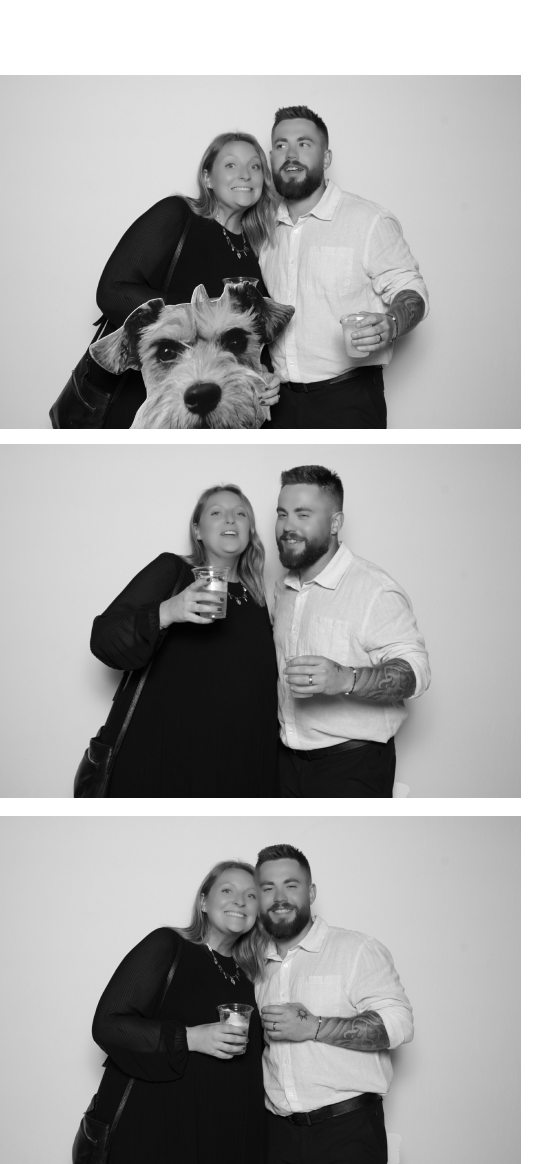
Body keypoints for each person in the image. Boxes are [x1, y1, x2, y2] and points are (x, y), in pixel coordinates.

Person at [87, 485, 278, 797]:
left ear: (250, 530)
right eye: (216, 512)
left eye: (240, 513)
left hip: (235, 768)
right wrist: (168, 611)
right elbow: (104, 638)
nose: (230, 519)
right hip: (167, 762)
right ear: (197, 530)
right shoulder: (173, 570)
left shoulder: (257, 597)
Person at [81, 132, 280, 427]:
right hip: (141, 404)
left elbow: (251, 337)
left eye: (255, 167)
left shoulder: (258, 248)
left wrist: (264, 375)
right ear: (207, 177)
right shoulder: (177, 214)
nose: (245, 174)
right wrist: (194, 315)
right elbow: (112, 290)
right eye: (231, 165)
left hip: (221, 416)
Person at [82, 861, 267, 1164]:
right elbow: (108, 1024)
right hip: (159, 1129)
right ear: (204, 902)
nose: (240, 901)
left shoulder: (253, 975)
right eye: (227, 890)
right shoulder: (168, 945)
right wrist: (191, 1037)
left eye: (251, 896)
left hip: (224, 1135)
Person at [259, 105, 429, 429]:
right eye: (281, 145)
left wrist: (392, 322)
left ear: (326, 158)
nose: (291, 154)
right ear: (271, 158)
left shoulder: (367, 220)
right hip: (278, 404)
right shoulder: (263, 229)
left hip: (348, 400)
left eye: (304, 144)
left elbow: (411, 288)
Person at [272, 465, 431, 797]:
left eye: (303, 515)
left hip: (353, 766)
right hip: (286, 763)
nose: (288, 527)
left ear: (335, 523)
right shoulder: (283, 590)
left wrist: (347, 679)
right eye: (282, 514)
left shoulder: (374, 590)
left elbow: (417, 673)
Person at [255, 844, 414, 1164]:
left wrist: (314, 1027)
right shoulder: (257, 966)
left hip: (347, 1132)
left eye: (291, 885)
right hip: (277, 1136)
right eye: (268, 888)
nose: (280, 897)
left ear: (311, 892)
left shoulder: (355, 950)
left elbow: (400, 1025)